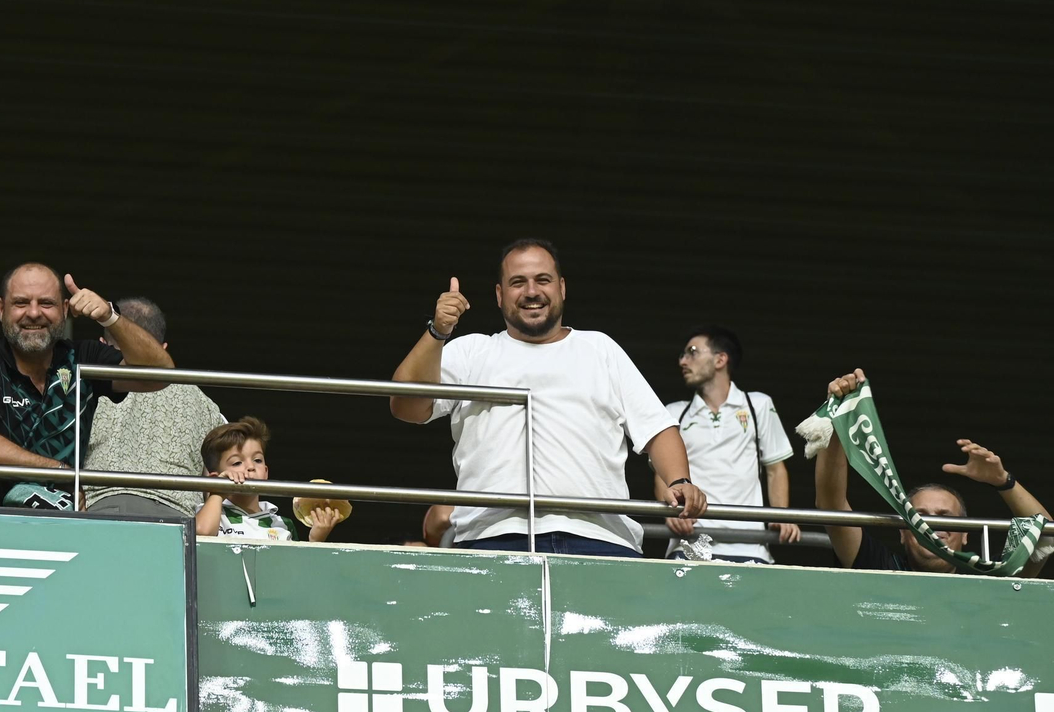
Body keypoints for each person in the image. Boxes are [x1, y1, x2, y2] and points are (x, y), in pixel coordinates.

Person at [390, 238, 706, 558]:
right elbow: (406, 406)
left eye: (543, 280)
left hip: (601, 537)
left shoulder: (600, 349)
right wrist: (438, 331)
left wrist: (679, 480)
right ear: (499, 295)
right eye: (518, 282)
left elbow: (657, 428)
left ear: (562, 288)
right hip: (492, 536)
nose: (531, 291)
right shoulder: (472, 351)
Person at [0, 264, 173, 510]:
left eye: (46, 303)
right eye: (21, 303)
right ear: (1, 308)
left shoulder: (83, 357)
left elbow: (159, 375)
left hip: (53, 522)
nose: (34, 313)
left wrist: (109, 316)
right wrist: (57, 471)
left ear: (65, 309)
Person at [814, 368, 1048, 576]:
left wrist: (1003, 481)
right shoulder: (880, 565)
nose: (934, 524)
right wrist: (839, 414)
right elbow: (831, 504)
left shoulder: (987, 579)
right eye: (920, 516)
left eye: (946, 516)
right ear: (903, 533)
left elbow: (1045, 535)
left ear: (966, 534)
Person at [658, 326, 797, 563]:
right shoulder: (674, 413)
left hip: (750, 548)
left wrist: (782, 515)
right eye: (682, 354)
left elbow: (775, 469)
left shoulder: (758, 404)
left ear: (720, 359)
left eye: (692, 352)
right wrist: (670, 511)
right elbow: (662, 475)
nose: (683, 361)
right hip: (689, 546)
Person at [83, 297, 225, 520]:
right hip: (179, 520)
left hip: (101, 511)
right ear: (163, 350)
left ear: (102, 344)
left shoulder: (87, 388)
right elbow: (219, 477)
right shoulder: (205, 403)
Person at [194, 417, 341, 541]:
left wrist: (316, 539)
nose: (250, 467)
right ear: (215, 478)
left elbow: (296, 565)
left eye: (257, 460)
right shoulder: (211, 513)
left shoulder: (283, 524)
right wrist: (217, 492)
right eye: (237, 462)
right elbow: (202, 534)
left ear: (265, 472)